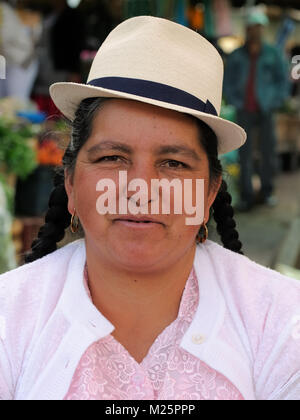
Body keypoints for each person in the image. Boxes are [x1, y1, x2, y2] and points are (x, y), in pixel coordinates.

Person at [0, 16, 299, 401]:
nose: (141, 190)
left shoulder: (281, 319)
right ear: (71, 185)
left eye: (174, 163)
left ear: (209, 194)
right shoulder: (9, 318)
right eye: (112, 157)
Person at [223, 9, 289, 211]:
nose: (255, 31)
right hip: (244, 110)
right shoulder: (236, 55)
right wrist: (236, 100)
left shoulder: (273, 54)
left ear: (263, 29)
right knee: (245, 154)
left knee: (268, 152)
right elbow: (227, 82)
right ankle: (247, 196)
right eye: (252, 27)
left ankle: (267, 192)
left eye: (258, 27)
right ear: (247, 29)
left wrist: (274, 101)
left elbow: (283, 81)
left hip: (266, 109)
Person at [0, 0, 41, 101]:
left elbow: (5, 36)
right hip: (8, 62)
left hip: (22, 63)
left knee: (16, 101)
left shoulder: (4, 10)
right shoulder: (6, 10)